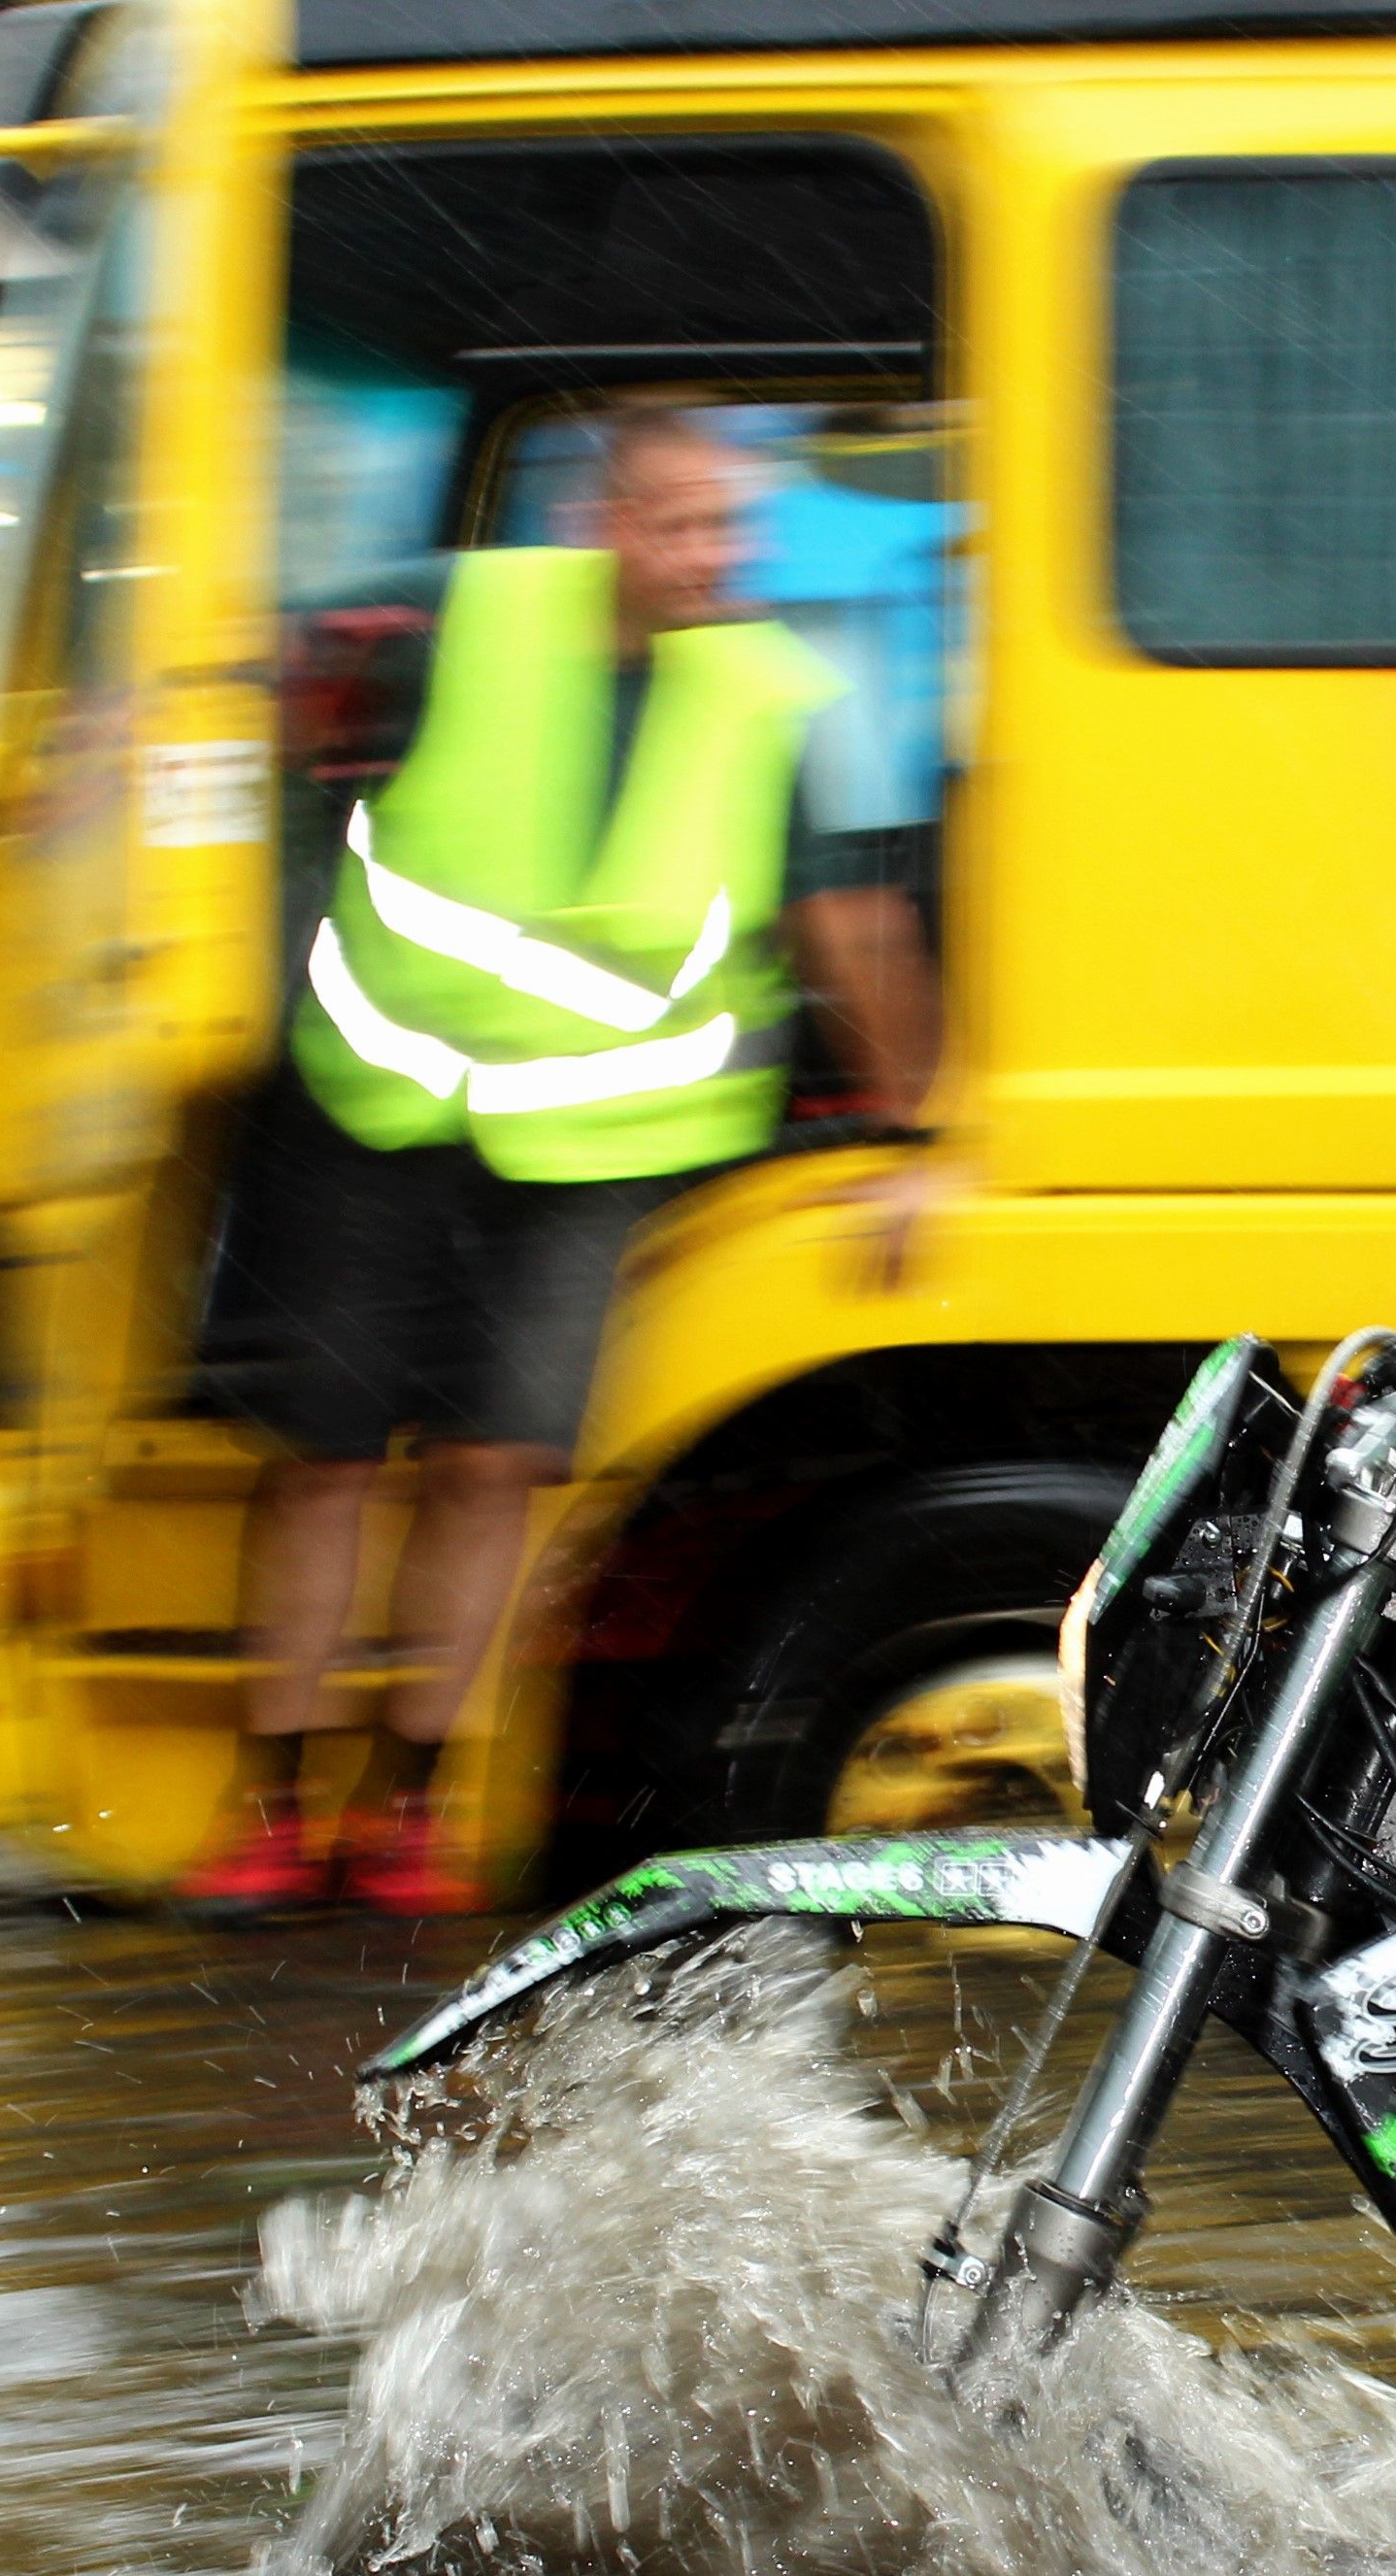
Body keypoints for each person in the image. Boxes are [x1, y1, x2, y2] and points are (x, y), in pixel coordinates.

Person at [186, 400, 937, 1917]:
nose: (720, 558)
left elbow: (848, 923)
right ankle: (270, 1806)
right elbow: (240, 718)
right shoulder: (449, 616)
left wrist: (919, 1133)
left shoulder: (768, 691)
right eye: (688, 525)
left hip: (600, 1140)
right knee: (325, 1468)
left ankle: (406, 1809)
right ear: (605, 523)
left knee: (496, 1473)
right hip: (380, 1100)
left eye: (736, 528)